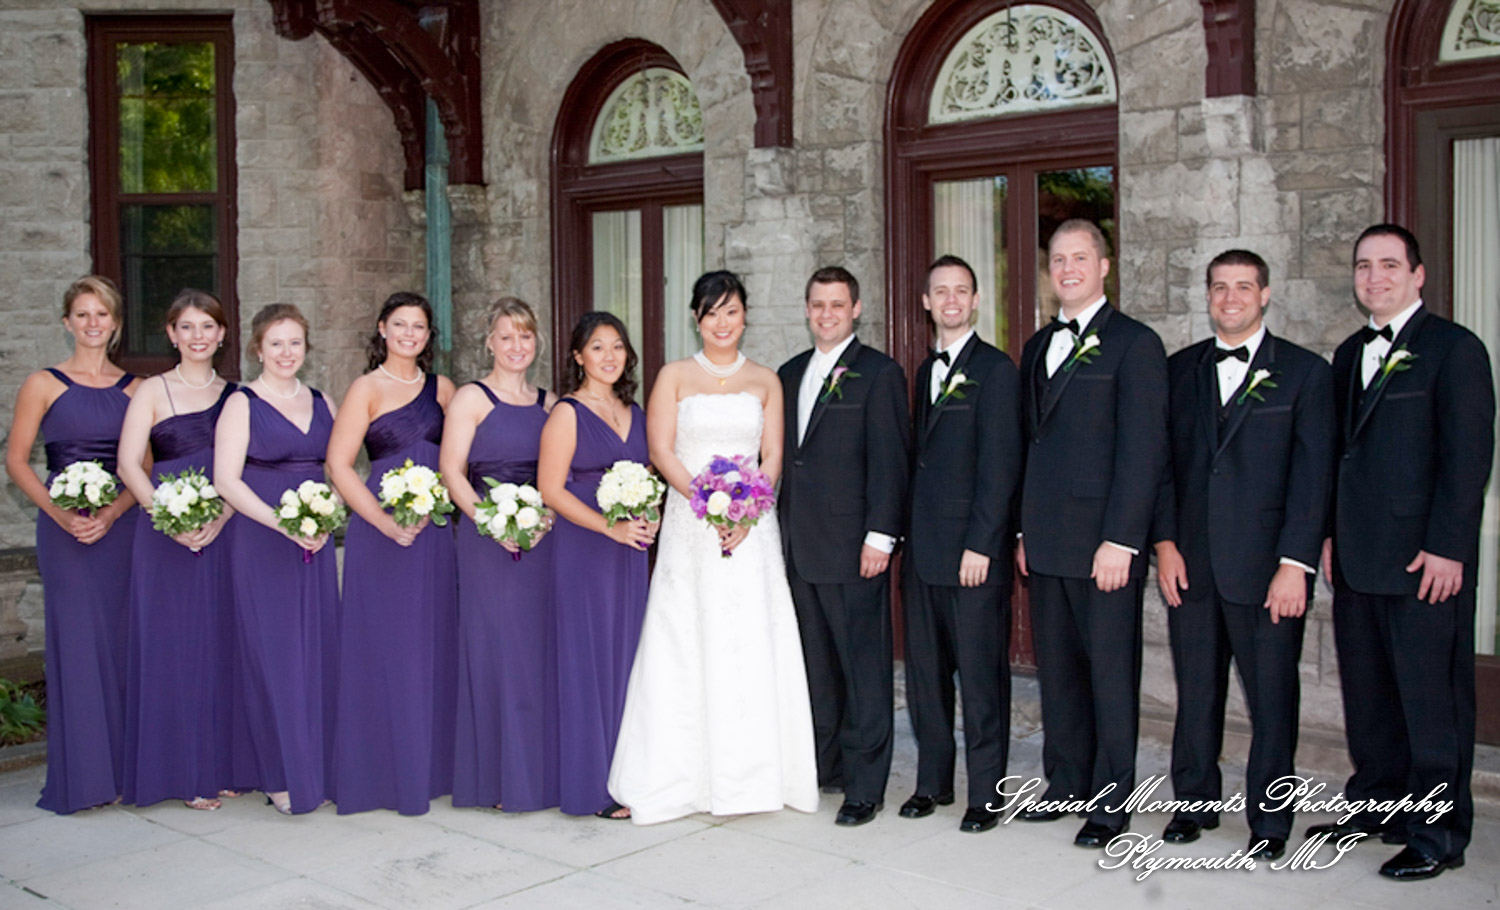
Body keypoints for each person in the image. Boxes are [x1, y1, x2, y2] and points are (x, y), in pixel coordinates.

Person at [1313, 224, 1494, 880]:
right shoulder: (1346, 354)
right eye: (1364, 266)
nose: (1375, 277)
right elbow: (1338, 457)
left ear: (1418, 275)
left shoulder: (1455, 350)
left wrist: (1449, 547)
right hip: (1359, 558)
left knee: (1431, 701)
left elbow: (1468, 458)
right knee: (1371, 697)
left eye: (1390, 265)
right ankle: (1379, 804)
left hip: (1426, 563)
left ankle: (1438, 833)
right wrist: (1329, 535)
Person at [609, 271, 819, 824]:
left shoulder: (767, 380)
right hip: (691, 523)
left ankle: (757, 777)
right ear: (696, 319)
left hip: (752, 528)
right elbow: (660, 448)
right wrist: (708, 501)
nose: (722, 323)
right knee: (684, 636)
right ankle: (678, 777)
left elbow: (773, 453)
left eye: (731, 311)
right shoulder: (674, 376)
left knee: (750, 637)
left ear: (745, 315)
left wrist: (748, 510)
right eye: (711, 313)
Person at [1151, 250, 1334, 860]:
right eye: (1219, 288)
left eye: (1243, 287)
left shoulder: (1306, 373)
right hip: (1192, 564)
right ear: (1207, 296)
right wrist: (1165, 544)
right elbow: (1163, 469)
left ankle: (1270, 821)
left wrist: (1295, 564)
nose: (1230, 298)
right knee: (1196, 693)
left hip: (1268, 569)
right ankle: (1193, 802)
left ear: (1266, 294)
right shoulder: (1179, 371)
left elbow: (1314, 479)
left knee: (1273, 699)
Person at [1015, 219, 1168, 847]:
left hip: (1105, 544)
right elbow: (1031, 447)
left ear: (1105, 266)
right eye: (1058, 259)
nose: (1068, 268)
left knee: (1108, 673)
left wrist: (1124, 539)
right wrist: (1023, 532)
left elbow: (1144, 450)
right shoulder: (1034, 347)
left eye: (1081, 257)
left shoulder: (1136, 344)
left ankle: (1110, 803)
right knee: (1060, 672)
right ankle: (1066, 781)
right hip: (1047, 539)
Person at [777, 266, 909, 826]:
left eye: (837, 305)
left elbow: (891, 460)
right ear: (807, 310)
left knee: (864, 668)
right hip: (799, 547)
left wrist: (880, 536)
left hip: (856, 547)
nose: (826, 314)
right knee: (817, 668)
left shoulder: (879, 373)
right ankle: (826, 767)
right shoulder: (788, 374)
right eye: (817, 304)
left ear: (856, 309)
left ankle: (866, 785)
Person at [6, 276, 141, 813]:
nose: (92, 324)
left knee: (123, 642)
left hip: (120, 529)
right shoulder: (43, 383)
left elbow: (144, 469)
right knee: (79, 647)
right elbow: (16, 459)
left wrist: (109, 513)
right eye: (82, 314)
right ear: (66, 322)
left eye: (101, 314)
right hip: (63, 532)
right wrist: (60, 513)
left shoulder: (135, 389)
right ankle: (84, 778)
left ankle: (129, 771)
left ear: (115, 323)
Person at [900, 255, 1021, 834]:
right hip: (924, 552)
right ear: (926, 302)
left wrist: (983, 544)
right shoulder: (924, 372)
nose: (950, 300)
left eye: (961, 291)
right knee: (926, 677)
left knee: (980, 679)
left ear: (975, 301)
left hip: (972, 556)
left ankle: (987, 794)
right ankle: (933, 783)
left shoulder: (997, 371)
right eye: (940, 291)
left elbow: (1001, 467)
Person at [326, 292, 458, 815]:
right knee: (386, 648)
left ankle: (432, 769)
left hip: (433, 534)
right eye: (399, 324)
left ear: (429, 336)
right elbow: (339, 465)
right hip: (380, 536)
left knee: (431, 645)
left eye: (419, 326)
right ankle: (381, 773)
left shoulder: (443, 388)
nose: (409, 334)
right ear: (382, 329)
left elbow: (457, 461)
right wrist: (382, 521)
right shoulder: (366, 387)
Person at [117, 289, 245, 811]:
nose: (198, 336)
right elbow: (128, 465)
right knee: (175, 648)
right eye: (186, 327)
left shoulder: (238, 396)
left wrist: (223, 515)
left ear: (221, 334)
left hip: (225, 532)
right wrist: (166, 520)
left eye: (207, 326)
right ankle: (186, 773)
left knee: (224, 647)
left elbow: (247, 470)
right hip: (164, 535)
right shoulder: (151, 391)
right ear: (171, 334)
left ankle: (224, 765)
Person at [214, 304, 340, 816]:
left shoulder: (323, 400)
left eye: (295, 343)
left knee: (316, 654)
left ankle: (318, 765)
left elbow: (336, 472)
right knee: (274, 657)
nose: (286, 353)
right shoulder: (242, 403)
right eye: (276, 343)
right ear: (257, 349)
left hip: (315, 539)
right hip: (264, 539)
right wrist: (284, 523)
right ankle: (279, 773)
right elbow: (226, 479)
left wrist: (323, 520)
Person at [441, 297, 560, 812]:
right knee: (494, 652)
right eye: (506, 336)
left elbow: (559, 477)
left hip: (540, 541)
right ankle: (495, 779)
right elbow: (451, 472)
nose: (517, 346)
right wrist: (491, 522)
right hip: (486, 539)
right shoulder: (471, 398)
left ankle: (535, 775)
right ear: (489, 341)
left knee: (535, 654)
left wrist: (547, 516)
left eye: (526, 336)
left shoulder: (550, 403)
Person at [537, 311, 655, 818]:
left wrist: (648, 517)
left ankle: (629, 774)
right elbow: (550, 488)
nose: (610, 356)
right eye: (598, 347)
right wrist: (611, 527)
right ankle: (592, 786)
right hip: (585, 549)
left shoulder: (637, 410)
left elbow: (651, 477)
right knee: (588, 660)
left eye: (618, 346)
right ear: (577, 356)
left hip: (630, 552)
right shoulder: (566, 412)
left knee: (627, 657)